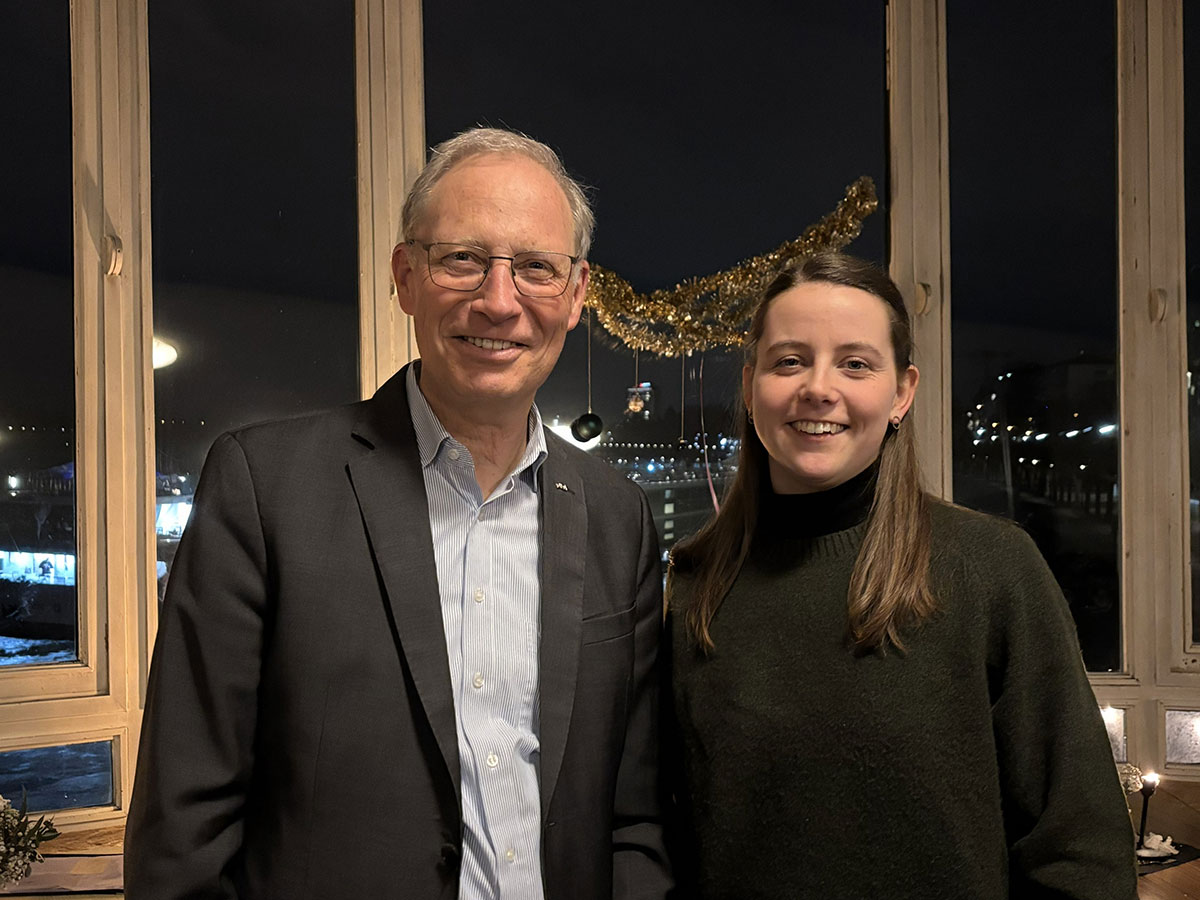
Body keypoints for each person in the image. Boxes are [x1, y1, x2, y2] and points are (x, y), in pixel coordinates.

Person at [125, 127, 673, 900]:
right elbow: (184, 829)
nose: (498, 300)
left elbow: (634, 818)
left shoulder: (621, 517)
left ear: (577, 295)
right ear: (405, 277)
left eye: (536, 269)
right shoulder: (265, 487)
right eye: (463, 260)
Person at [666, 252, 1137, 899]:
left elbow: (1081, 855)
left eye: (855, 363)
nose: (818, 388)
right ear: (751, 387)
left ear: (902, 392)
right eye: (789, 360)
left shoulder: (991, 570)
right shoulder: (690, 590)